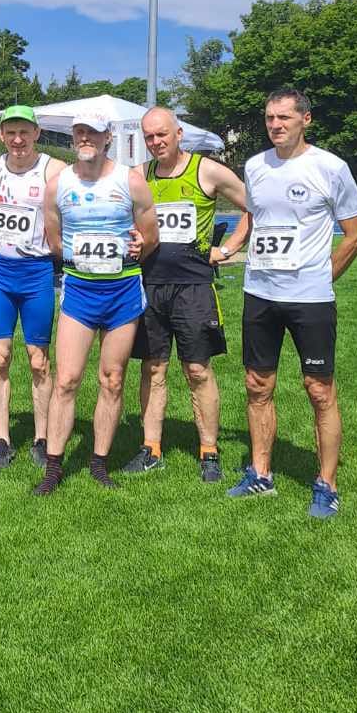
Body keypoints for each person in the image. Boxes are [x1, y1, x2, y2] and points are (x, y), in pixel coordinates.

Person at [227, 88, 357, 517]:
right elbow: (255, 216)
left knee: (319, 390)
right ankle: (260, 474)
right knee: (257, 384)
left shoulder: (330, 167)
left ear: (306, 119)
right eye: (270, 117)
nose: (275, 125)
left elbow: (355, 236)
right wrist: (231, 246)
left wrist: (321, 277)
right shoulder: (255, 166)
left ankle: (327, 484)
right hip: (260, 294)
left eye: (284, 117)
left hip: (310, 300)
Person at [33, 110, 159, 495]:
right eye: (80, 132)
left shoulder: (131, 181)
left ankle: (99, 464)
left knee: (113, 379)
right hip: (80, 292)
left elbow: (150, 237)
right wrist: (83, 260)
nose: (86, 138)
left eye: (94, 132)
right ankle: (54, 467)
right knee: (66, 379)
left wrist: (137, 248)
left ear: (108, 138)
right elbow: (56, 242)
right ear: (73, 138)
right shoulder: (58, 185)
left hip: (122, 292)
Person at [126, 107, 250, 482]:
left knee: (197, 369)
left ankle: (209, 451)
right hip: (150, 285)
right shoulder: (139, 175)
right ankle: (151, 448)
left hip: (194, 286)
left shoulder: (207, 170)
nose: (156, 142)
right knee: (153, 368)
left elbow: (255, 206)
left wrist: (226, 249)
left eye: (162, 134)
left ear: (178, 133)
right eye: (149, 137)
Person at [0, 105, 65, 469]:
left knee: (38, 361)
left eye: (24, 132)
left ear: (36, 134)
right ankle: (3, 440)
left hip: (36, 273)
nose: (18, 140)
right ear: (1, 135)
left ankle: (42, 438)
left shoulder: (53, 169)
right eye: (11, 132)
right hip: (0, 272)